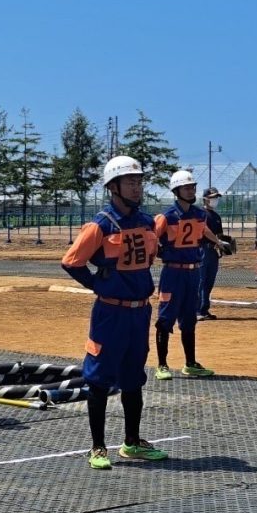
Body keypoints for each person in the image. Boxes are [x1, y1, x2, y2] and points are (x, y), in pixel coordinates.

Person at [61, 155, 167, 470]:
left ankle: (132, 442)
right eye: (130, 182)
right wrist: (96, 283)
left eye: (139, 181)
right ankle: (97, 447)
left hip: (139, 313)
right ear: (114, 187)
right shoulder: (101, 224)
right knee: (99, 378)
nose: (137, 187)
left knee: (134, 377)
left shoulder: (147, 222)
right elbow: (71, 261)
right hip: (110, 314)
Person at [154, 170, 233, 381]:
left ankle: (190, 363)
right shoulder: (167, 216)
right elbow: (151, 235)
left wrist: (218, 242)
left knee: (189, 319)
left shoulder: (199, 214)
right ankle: (162, 364)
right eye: (187, 187)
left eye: (192, 187)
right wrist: (156, 249)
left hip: (192, 272)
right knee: (165, 318)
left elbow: (204, 230)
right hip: (173, 272)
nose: (191, 190)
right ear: (176, 191)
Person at [198, 187, 224, 320]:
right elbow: (205, 230)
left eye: (216, 198)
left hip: (213, 251)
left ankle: (204, 309)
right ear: (205, 199)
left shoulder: (216, 216)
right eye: (212, 197)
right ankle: (197, 310)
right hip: (202, 249)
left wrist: (226, 244)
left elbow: (220, 234)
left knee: (209, 281)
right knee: (201, 280)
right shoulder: (201, 213)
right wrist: (218, 241)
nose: (215, 200)